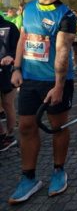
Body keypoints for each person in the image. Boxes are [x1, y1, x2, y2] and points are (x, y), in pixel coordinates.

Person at [9, 0, 76, 204]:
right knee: (26, 127)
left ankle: (59, 170)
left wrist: (58, 86)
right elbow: (23, 39)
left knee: (57, 127)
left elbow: (62, 52)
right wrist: (16, 68)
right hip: (29, 79)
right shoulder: (27, 9)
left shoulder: (66, 15)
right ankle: (28, 177)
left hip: (55, 81)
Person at [0, 13, 20, 151]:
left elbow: (19, 48)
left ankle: (10, 135)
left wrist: (11, 56)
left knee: (7, 104)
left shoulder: (10, 26)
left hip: (8, 71)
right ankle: (2, 134)